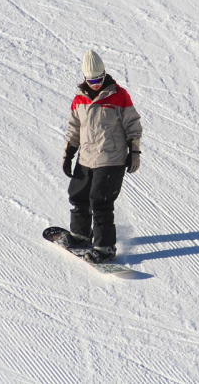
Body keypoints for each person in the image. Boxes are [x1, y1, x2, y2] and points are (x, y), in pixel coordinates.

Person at [61, 50, 143, 263]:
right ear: (85, 78)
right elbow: (74, 128)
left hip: (111, 160)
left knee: (100, 202)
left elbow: (133, 125)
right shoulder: (79, 99)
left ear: (104, 74)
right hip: (86, 158)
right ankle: (80, 235)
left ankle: (105, 247)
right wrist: (68, 153)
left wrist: (134, 151)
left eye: (99, 78)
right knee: (78, 196)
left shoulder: (119, 95)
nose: (96, 83)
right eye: (91, 80)